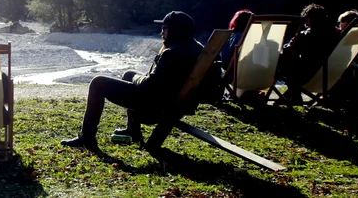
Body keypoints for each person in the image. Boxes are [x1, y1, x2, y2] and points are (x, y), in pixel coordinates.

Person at [60, 11, 204, 151]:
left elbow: (148, 85)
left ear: (174, 31)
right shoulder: (196, 48)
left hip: (154, 106)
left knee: (98, 83)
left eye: (164, 29)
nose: (161, 33)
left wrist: (137, 79)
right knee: (129, 74)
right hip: (172, 100)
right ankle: (132, 131)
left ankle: (87, 137)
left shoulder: (172, 53)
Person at [277, 3, 338, 102]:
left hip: (306, 75)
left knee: (282, 60)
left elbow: (289, 50)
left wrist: (293, 41)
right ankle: (293, 93)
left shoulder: (306, 35)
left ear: (308, 19)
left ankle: (294, 93)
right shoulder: (333, 34)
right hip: (327, 75)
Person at [220, 9, 254, 83]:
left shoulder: (235, 37)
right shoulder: (258, 38)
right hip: (259, 75)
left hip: (236, 76)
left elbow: (225, 60)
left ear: (237, 22)